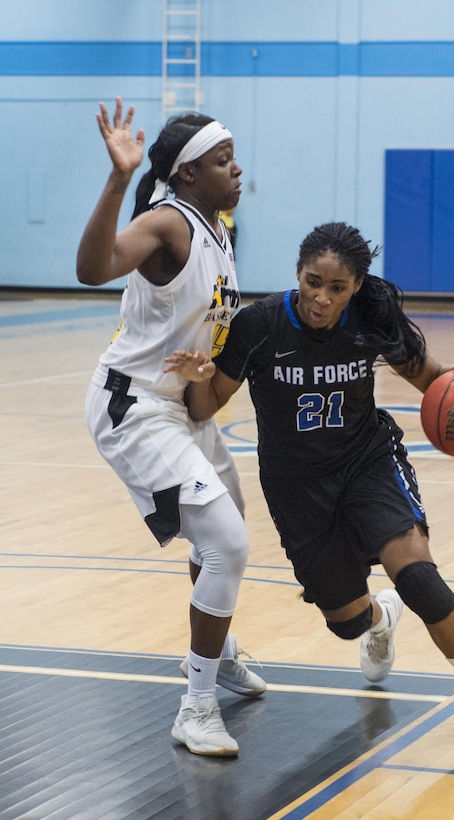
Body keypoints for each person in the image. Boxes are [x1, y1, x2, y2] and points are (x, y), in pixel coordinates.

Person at [165, 221, 454, 748]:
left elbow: (434, 380)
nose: (321, 298)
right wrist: (198, 380)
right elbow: (205, 407)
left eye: (337, 288)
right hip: (295, 487)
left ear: (356, 286)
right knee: (347, 622)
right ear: (298, 274)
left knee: (419, 577)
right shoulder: (259, 325)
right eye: (313, 282)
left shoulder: (370, 319)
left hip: (365, 462)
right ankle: (381, 619)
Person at [77, 97, 266, 759]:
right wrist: (117, 178)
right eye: (222, 160)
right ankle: (196, 706)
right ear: (187, 174)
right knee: (228, 543)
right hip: (135, 407)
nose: (236, 169)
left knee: (221, 530)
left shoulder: (219, 227)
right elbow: (92, 270)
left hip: (182, 404)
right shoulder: (168, 224)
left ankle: (218, 650)